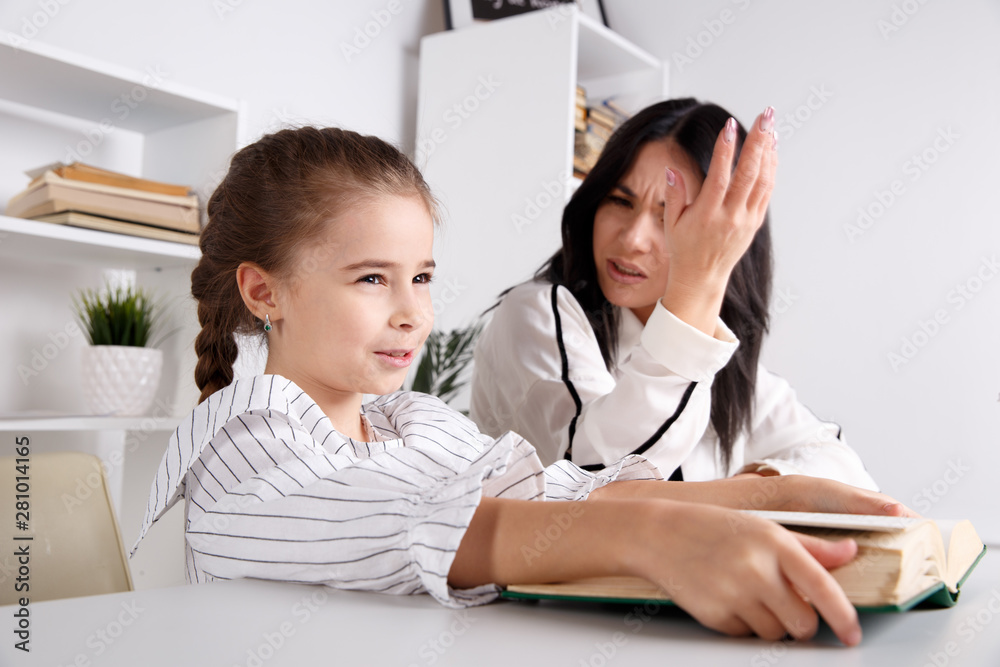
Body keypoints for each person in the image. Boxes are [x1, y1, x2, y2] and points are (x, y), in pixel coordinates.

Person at [131, 126, 911, 647]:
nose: (413, 313)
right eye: (372, 278)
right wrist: (657, 536)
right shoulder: (241, 446)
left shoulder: (415, 421)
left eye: (423, 277)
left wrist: (757, 498)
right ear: (264, 293)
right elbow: (421, 524)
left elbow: (563, 490)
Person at [471, 99, 876, 489]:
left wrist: (755, 485)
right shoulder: (538, 313)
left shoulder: (722, 361)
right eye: (619, 200)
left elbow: (843, 469)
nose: (633, 240)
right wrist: (696, 282)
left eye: (671, 215)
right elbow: (598, 477)